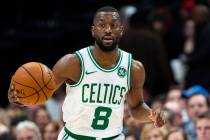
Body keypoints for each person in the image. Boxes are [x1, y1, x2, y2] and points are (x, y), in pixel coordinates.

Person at [8, 6, 165, 139]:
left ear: (121, 30)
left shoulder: (134, 68)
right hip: (75, 136)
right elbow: (42, 93)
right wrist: (19, 97)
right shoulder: (72, 63)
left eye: (113, 25)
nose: (108, 30)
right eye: (102, 25)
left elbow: (136, 107)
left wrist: (153, 115)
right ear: (93, 30)